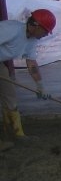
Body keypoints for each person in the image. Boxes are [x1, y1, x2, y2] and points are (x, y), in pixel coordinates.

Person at [0, 9, 56, 150]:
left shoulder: (31, 40)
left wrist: (40, 86)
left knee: (10, 96)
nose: (44, 35)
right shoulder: (11, 29)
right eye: (45, 31)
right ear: (36, 25)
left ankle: (16, 133)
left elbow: (31, 64)